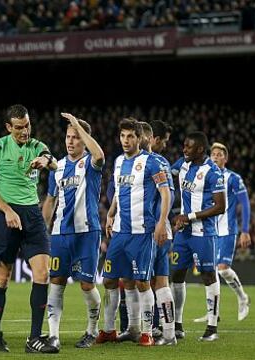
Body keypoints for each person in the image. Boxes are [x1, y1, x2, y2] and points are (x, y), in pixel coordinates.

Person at [0, 104, 58, 353]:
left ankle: (34, 339)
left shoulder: (36, 145)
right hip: (7, 215)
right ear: (8, 127)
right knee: (2, 278)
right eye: (19, 128)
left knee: (43, 274)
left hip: (32, 214)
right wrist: (6, 210)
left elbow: (50, 157)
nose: (25, 131)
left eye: (27, 126)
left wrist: (44, 160)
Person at [99, 119, 171, 347]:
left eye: (130, 136)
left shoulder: (151, 163)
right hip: (120, 233)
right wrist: (110, 214)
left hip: (142, 233)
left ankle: (147, 332)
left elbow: (166, 193)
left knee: (142, 282)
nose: (126, 141)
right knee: (110, 280)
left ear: (139, 138)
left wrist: (161, 223)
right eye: (122, 136)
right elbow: (119, 193)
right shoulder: (119, 162)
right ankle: (110, 330)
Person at [41, 113, 104, 350]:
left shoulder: (90, 164)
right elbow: (50, 201)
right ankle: (53, 335)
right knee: (56, 281)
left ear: (84, 139)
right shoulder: (57, 167)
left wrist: (79, 124)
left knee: (87, 285)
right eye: (68, 137)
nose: (70, 141)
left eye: (76, 137)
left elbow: (99, 154)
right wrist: (42, 231)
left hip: (87, 233)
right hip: (60, 234)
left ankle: (92, 330)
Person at [170, 131, 226, 342]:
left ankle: (212, 327)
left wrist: (189, 216)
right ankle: (177, 324)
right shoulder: (182, 164)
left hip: (203, 233)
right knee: (176, 274)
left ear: (200, 150)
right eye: (184, 145)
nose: (184, 150)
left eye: (188, 147)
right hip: (183, 234)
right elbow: (167, 174)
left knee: (208, 276)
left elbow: (220, 206)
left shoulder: (213, 172)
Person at [194, 142, 251, 323]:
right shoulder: (204, 176)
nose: (216, 157)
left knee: (223, 269)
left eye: (220, 154)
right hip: (209, 231)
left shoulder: (233, 178)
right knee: (209, 270)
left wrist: (245, 230)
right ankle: (213, 313)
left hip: (227, 230)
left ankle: (243, 298)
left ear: (225, 159)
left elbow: (245, 203)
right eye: (213, 154)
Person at [140, 120, 177, 346]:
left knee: (159, 282)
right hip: (141, 230)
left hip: (155, 230)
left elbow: (168, 195)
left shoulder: (158, 162)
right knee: (147, 281)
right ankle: (150, 329)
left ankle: (169, 333)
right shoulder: (130, 163)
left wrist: (161, 223)